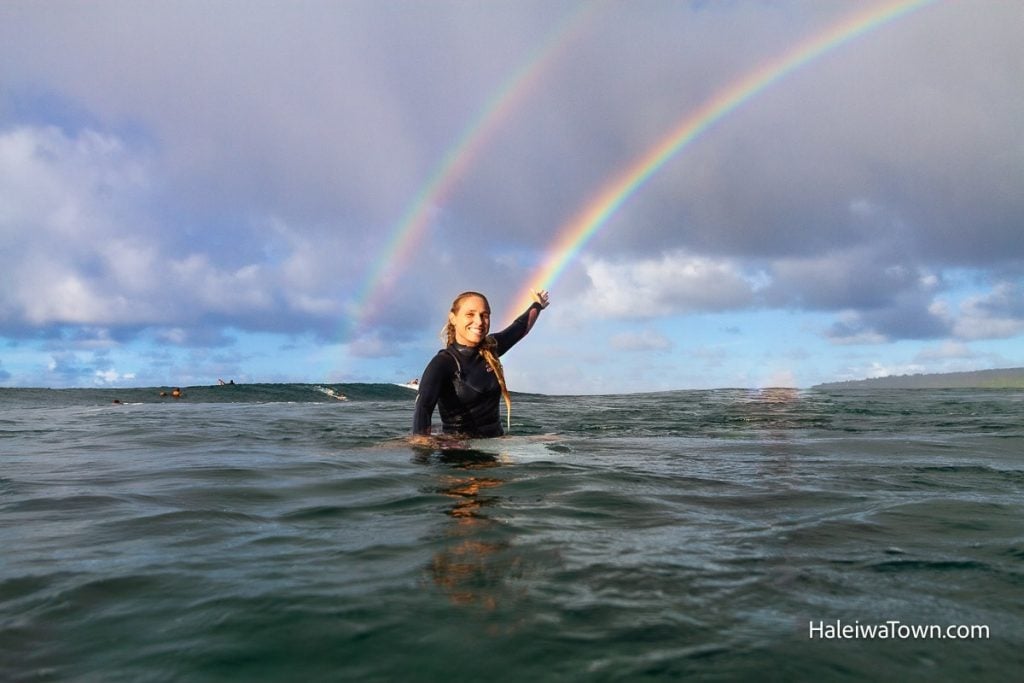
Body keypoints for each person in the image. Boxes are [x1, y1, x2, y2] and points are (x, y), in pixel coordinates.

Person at [412, 289, 548, 443]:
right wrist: (422, 451)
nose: (479, 321)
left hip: (495, 447)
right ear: (453, 318)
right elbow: (423, 409)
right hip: (460, 454)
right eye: (470, 314)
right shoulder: (443, 363)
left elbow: (519, 328)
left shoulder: (491, 348)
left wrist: (537, 305)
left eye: (485, 315)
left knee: (557, 442)